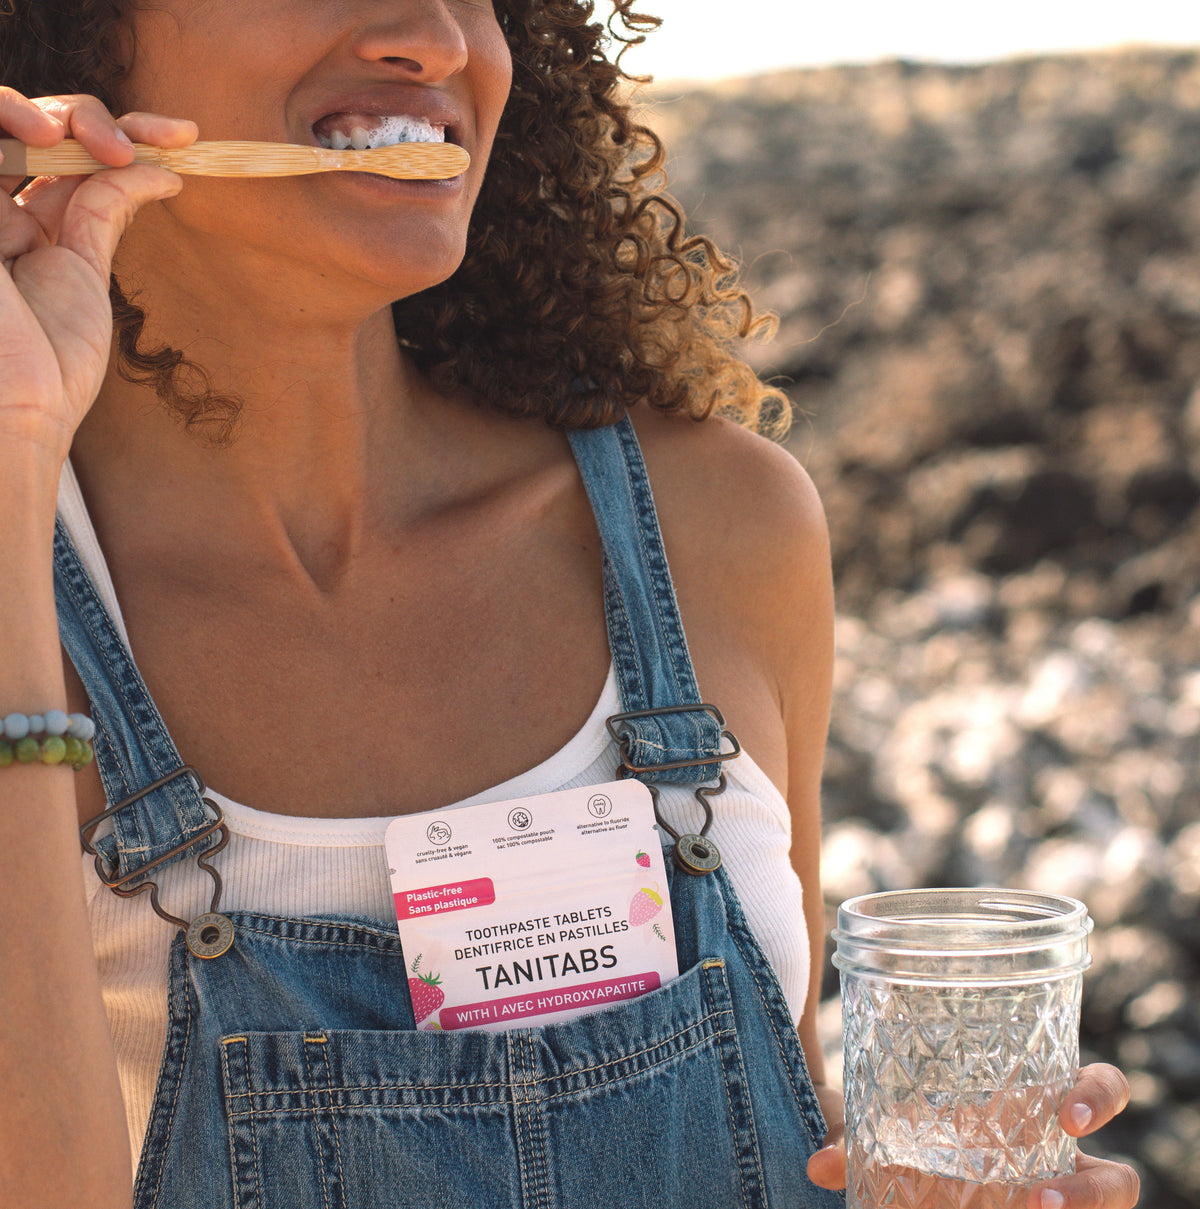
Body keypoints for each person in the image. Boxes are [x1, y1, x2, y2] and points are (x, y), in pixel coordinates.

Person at [0, 2, 1139, 1207]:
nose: (437, 38)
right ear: (69, 39)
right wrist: (16, 449)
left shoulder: (722, 527)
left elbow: (787, 1137)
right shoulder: (28, 585)